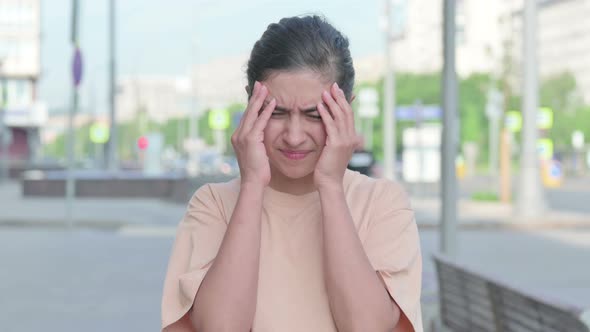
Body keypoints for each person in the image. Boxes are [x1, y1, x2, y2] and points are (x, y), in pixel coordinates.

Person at [161, 15, 423, 332]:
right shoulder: (212, 204)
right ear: (251, 107)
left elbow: (368, 327)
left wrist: (330, 187)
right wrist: (253, 187)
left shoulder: (383, 204)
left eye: (314, 115)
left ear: (346, 110)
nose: (295, 135)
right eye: (277, 113)